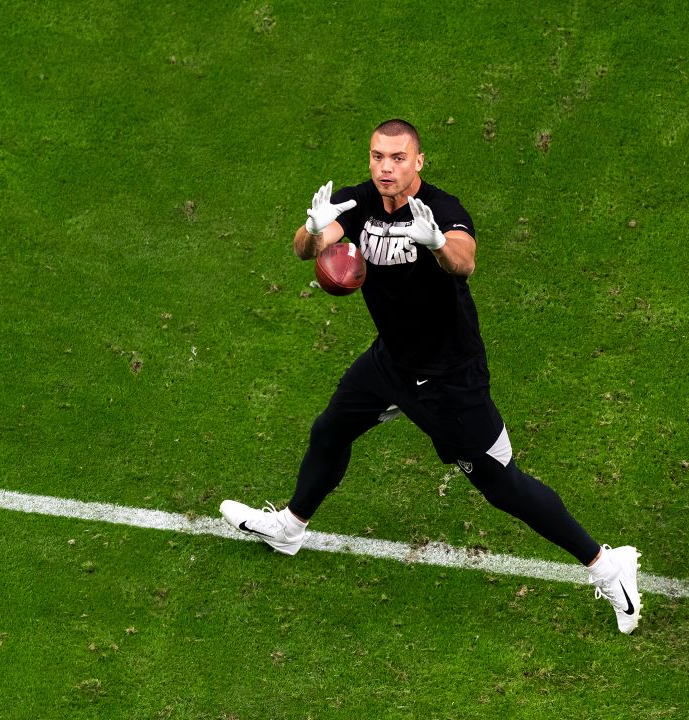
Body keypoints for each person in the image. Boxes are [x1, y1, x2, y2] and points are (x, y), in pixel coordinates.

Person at [220, 119, 641, 633]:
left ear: (418, 161)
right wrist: (312, 229)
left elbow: (464, 262)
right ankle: (290, 528)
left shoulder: (441, 209)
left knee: (501, 485)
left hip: (448, 379)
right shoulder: (360, 203)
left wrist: (436, 242)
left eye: (397, 158)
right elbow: (307, 250)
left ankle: (608, 566)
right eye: (377, 157)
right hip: (391, 361)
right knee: (330, 430)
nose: (385, 168)